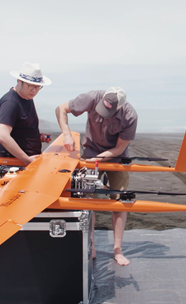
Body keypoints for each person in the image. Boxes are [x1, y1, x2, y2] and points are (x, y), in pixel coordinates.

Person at [55, 87, 137, 266]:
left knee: (120, 201)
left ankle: (117, 249)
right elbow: (60, 109)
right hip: (90, 151)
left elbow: (119, 148)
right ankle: (89, 246)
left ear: (120, 108)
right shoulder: (91, 97)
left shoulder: (130, 116)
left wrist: (99, 159)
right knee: (87, 200)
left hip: (117, 157)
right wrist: (66, 135)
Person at [0, 62, 53, 165]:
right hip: (15, 165)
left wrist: (35, 137)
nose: (34, 91)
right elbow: (2, 135)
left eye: (38, 87)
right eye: (31, 86)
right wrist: (26, 159)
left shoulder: (27, 97)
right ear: (19, 81)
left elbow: (20, 128)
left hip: (28, 162)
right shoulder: (10, 102)